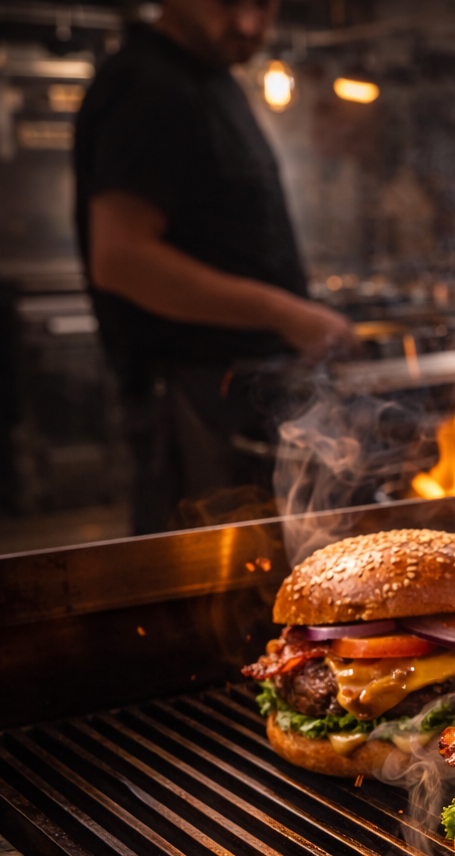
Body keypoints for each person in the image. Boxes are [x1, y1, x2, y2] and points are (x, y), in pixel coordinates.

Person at [74, 0, 352, 534]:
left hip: (233, 401)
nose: (248, 24)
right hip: (191, 406)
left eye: (263, 5)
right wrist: (290, 315)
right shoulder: (150, 85)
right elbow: (121, 259)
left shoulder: (208, 78)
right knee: (203, 596)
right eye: (226, 2)